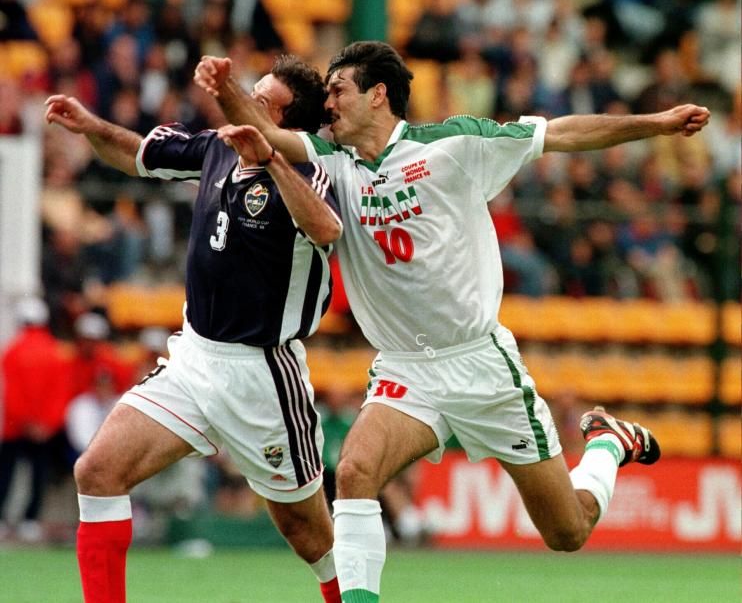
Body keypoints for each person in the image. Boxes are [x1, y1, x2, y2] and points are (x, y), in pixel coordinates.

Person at [194, 41, 711, 601]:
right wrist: (225, 90)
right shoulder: (331, 160)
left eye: (338, 90)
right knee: (355, 472)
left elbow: (561, 133)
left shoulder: (455, 144)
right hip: (407, 370)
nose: (328, 105)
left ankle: (607, 443)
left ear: (378, 94)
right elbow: (265, 136)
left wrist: (656, 124)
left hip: (481, 367)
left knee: (568, 530)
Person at [44, 54, 344, 603]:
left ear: (282, 115)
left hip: (263, 376)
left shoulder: (311, 170)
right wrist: (90, 127)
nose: (246, 98)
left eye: (261, 94)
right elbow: (136, 154)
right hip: (195, 359)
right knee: (98, 471)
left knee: (311, 537)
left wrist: (272, 157)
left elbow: (327, 228)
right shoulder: (215, 148)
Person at [0, 297, 71, 543]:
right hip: (44, 430)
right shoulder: (56, 353)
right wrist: (46, 424)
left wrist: (25, 420)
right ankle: (30, 520)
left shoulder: (12, 352)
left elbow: (12, 393)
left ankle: (2, 518)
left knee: (6, 473)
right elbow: (60, 394)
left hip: (15, 427)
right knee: (37, 475)